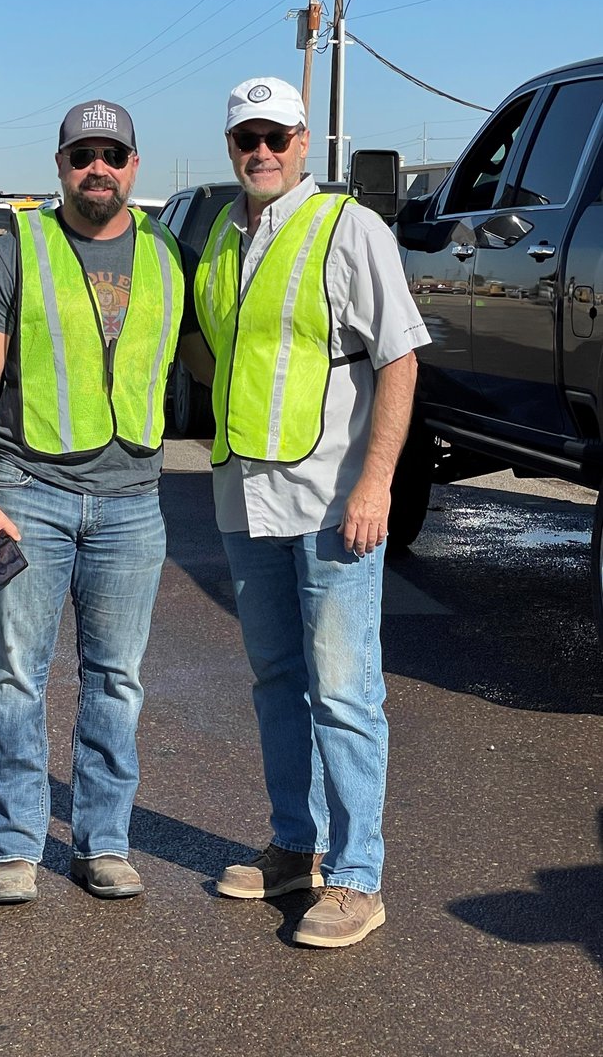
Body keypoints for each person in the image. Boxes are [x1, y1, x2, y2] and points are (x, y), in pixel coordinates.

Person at [182, 76, 430, 947]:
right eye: (246, 137)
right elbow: (217, 354)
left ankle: (358, 877)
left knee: (345, 691)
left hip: (332, 503)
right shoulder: (222, 236)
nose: (262, 151)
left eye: (276, 137)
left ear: (302, 141)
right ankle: (296, 845)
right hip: (245, 498)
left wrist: (377, 484)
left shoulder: (349, 228)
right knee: (276, 681)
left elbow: (399, 359)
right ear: (231, 146)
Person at [0, 99, 192, 905]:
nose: (98, 169)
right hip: (30, 496)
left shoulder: (171, 254)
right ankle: (15, 848)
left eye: (112, 155)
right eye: (82, 155)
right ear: (60, 166)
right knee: (16, 677)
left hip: (133, 503)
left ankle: (104, 844)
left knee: (117, 680)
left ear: (133, 165)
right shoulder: (14, 251)